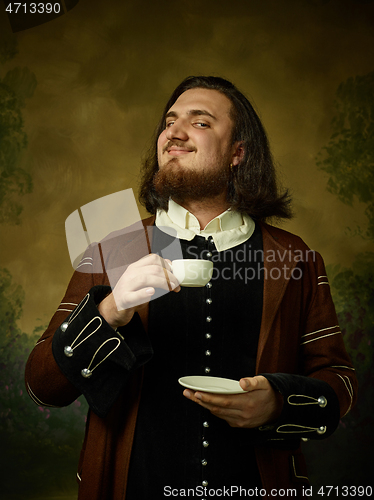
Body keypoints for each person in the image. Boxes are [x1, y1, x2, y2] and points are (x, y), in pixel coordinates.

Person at [25, 76, 357, 500]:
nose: (174, 133)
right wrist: (108, 311)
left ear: (238, 152)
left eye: (200, 123)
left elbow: (339, 379)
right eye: (169, 121)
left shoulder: (294, 258)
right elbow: (42, 387)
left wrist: (278, 403)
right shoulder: (110, 249)